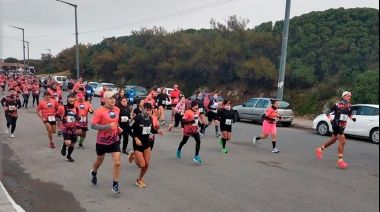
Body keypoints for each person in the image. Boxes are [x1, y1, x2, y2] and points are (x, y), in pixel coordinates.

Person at [90, 91, 123, 194]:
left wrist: (118, 128)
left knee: (117, 163)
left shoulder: (117, 109)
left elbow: (115, 123)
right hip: (102, 141)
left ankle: (115, 184)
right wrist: (107, 127)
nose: (113, 100)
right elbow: (93, 125)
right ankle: (94, 172)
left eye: (114, 97)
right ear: (104, 99)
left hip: (114, 139)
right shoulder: (99, 111)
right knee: (99, 161)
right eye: (110, 98)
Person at [315, 91, 356, 168]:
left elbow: (349, 114)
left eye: (350, 96)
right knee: (343, 142)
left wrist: (352, 118)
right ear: (343, 96)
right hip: (336, 124)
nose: (349, 97)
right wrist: (331, 120)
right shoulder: (337, 104)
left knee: (332, 140)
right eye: (348, 96)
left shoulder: (349, 106)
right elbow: (327, 112)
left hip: (343, 125)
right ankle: (340, 160)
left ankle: (319, 149)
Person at [127, 103, 163, 188]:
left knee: (147, 164)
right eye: (147, 109)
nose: (149, 111)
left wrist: (158, 132)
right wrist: (135, 138)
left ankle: (139, 180)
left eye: (150, 110)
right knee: (141, 165)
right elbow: (128, 129)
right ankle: (133, 154)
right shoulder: (137, 118)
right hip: (138, 143)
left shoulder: (150, 119)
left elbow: (151, 130)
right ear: (143, 109)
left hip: (147, 143)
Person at [58, 94, 81, 162]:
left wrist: (77, 118)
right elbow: (57, 115)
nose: (71, 103)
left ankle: (68, 156)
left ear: (75, 101)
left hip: (73, 128)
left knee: (72, 144)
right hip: (65, 127)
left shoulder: (77, 109)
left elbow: (79, 118)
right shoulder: (62, 107)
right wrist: (61, 119)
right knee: (68, 142)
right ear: (67, 100)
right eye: (70, 101)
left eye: (73, 101)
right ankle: (64, 145)